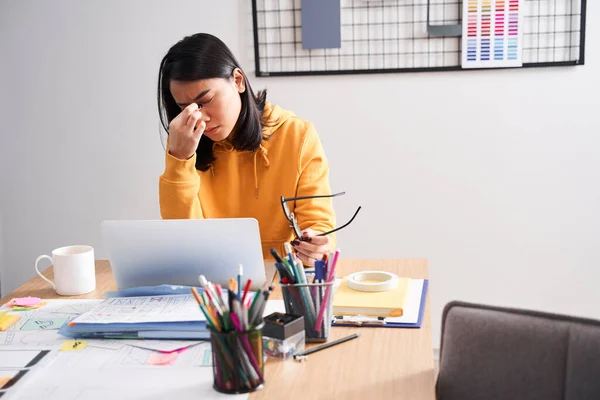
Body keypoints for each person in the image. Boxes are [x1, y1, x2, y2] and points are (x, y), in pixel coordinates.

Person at [157, 33, 336, 266]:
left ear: (238, 80)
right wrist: (179, 160)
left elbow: (318, 225)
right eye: (187, 107)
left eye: (206, 100)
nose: (200, 116)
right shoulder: (185, 145)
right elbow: (182, 241)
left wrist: (317, 245)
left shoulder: (297, 135)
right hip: (212, 282)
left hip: (283, 279)